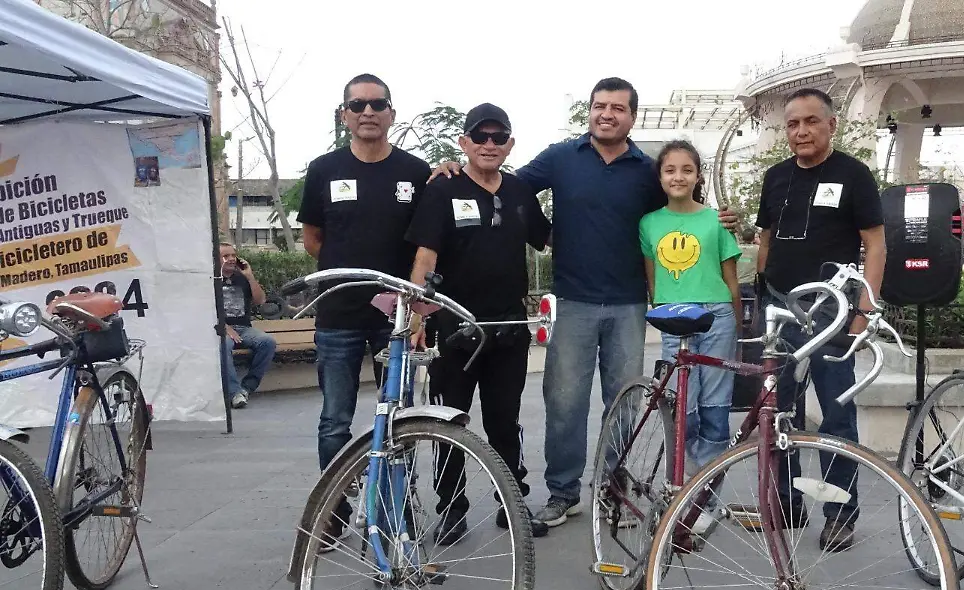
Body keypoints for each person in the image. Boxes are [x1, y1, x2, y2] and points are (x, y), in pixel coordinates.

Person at [431, 77, 739, 529]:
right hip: (573, 301)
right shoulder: (560, 158)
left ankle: (614, 489)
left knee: (625, 402)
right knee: (564, 402)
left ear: (632, 116)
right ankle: (563, 493)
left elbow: (680, 207)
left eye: (618, 107)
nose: (607, 114)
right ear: (590, 111)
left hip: (630, 305)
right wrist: (453, 168)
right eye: (599, 105)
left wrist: (722, 217)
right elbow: (503, 184)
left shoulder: (646, 170)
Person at [296, 73, 432, 549]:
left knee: (401, 420)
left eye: (378, 104)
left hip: (396, 321)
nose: (368, 112)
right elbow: (314, 239)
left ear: (392, 114)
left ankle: (398, 515)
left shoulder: (416, 172)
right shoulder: (323, 169)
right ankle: (334, 511)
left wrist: (415, 310)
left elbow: (427, 244)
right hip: (338, 315)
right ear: (344, 115)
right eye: (358, 105)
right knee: (336, 420)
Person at [406, 103, 552, 543]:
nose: (489, 144)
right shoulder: (442, 188)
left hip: (508, 329)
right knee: (449, 422)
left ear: (510, 143)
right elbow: (424, 257)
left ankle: (513, 504)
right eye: (480, 136)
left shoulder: (522, 191)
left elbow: (548, 239)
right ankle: (452, 508)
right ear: (464, 142)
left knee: (504, 423)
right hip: (454, 330)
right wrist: (416, 316)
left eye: (498, 136)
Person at [754, 87, 886, 552]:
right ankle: (787, 504)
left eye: (811, 121)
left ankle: (839, 514)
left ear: (831, 125)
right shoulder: (775, 178)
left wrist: (864, 312)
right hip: (780, 309)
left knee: (835, 414)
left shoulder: (854, 175)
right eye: (793, 123)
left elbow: (875, 244)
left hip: (832, 313)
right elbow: (766, 238)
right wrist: (760, 290)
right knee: (779, 412)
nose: (801, 131)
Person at [640, 140, 741, 534]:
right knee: (684, 410)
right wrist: (659, 310)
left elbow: (731, 281)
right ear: (661, 176)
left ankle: (707, 501)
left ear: (698, 175)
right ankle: (681, 490)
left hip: (716, 314)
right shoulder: (649, 223)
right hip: (673, 317)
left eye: (686, 169)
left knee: (716, 409)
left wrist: (735, 325)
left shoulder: (717, 220)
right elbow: (652, 278)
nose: (678, 176)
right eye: (670, 170)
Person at [218, 242, 275, 409]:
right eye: (225, 256)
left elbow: (260, 301)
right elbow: (204, 309)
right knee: (223, 345)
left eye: (233, 255)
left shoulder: (242, 278)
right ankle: (234, 393)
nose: (230, 259)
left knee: (267, 342)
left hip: (244, 328)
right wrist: (225, 327)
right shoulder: (211, 279)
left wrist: (250, 276)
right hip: (221, 330)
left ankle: (246, 388)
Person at [735, 227, 759, 326]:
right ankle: (751, 329)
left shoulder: (736, 248)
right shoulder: (757, 249)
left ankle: (739, 327)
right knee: (753, 307)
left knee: (739, 306)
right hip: (750, 283)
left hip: (737, 283)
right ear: (753, 238)